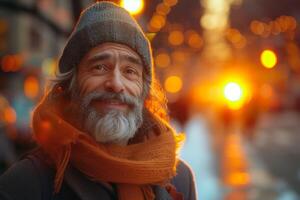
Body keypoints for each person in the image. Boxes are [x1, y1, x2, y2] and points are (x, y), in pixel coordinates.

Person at [0, 2, 196, 200]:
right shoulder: (27, 184)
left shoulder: (180, 179)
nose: (116, 84)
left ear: (144, 92)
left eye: (130, 71)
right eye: (99, 67)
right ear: (70, 85)